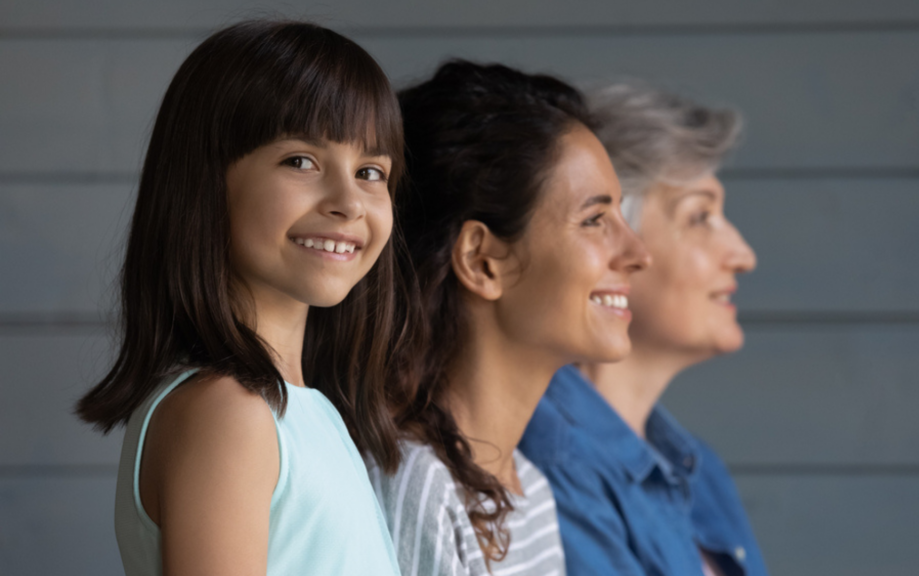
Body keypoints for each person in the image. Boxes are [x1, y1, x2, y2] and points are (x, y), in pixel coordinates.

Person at [75, 20, 407, 575]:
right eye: (301, 161)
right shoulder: (227, 413)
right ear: (205, 181)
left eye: (371, 171)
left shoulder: (305, 411)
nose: (349, 201)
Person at [364, 61, 651, 576]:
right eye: (595, 220)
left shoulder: (528, 488)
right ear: (482, 261)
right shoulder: (415, 484)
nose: (636, 253)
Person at [519, 82, 767, 576]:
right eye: (701, 217)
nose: (744, 255)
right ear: (608, 239)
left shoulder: (700, 470)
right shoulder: (547, 463)